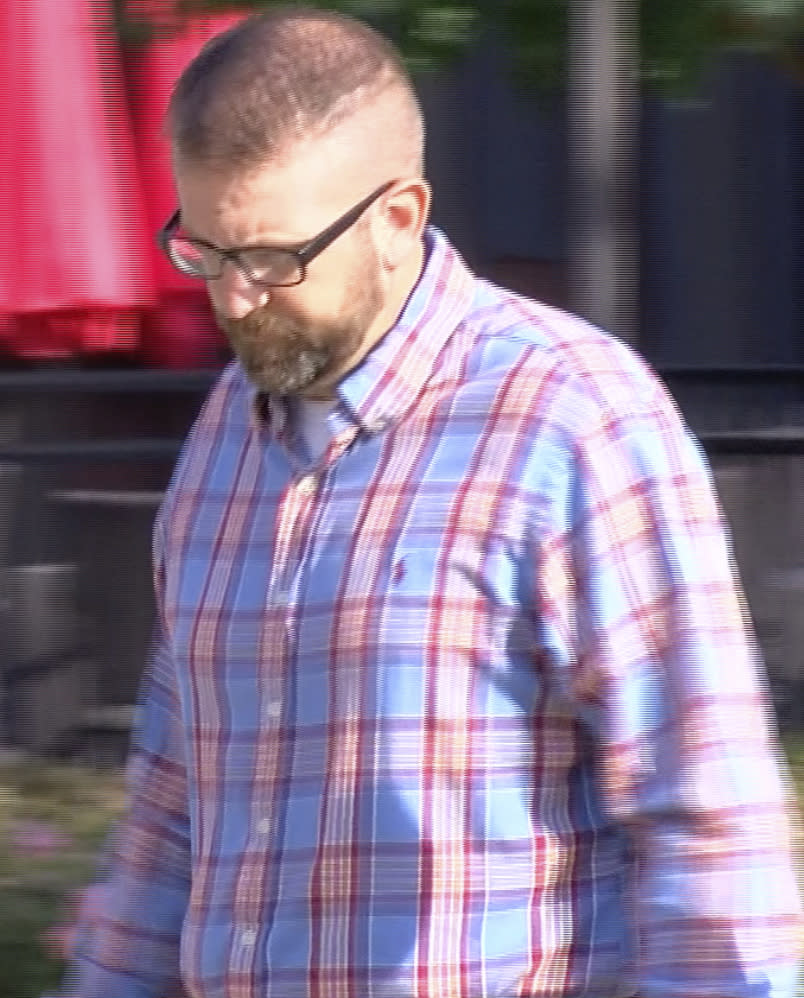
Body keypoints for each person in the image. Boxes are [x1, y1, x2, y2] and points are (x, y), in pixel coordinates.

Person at [53, 7, 802, 998]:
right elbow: (170, 808)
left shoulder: (575, 421)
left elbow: (708, 826)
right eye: (205, 251)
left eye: (274, 258)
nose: (235, 299)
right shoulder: (223, 437)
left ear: (397, 216)